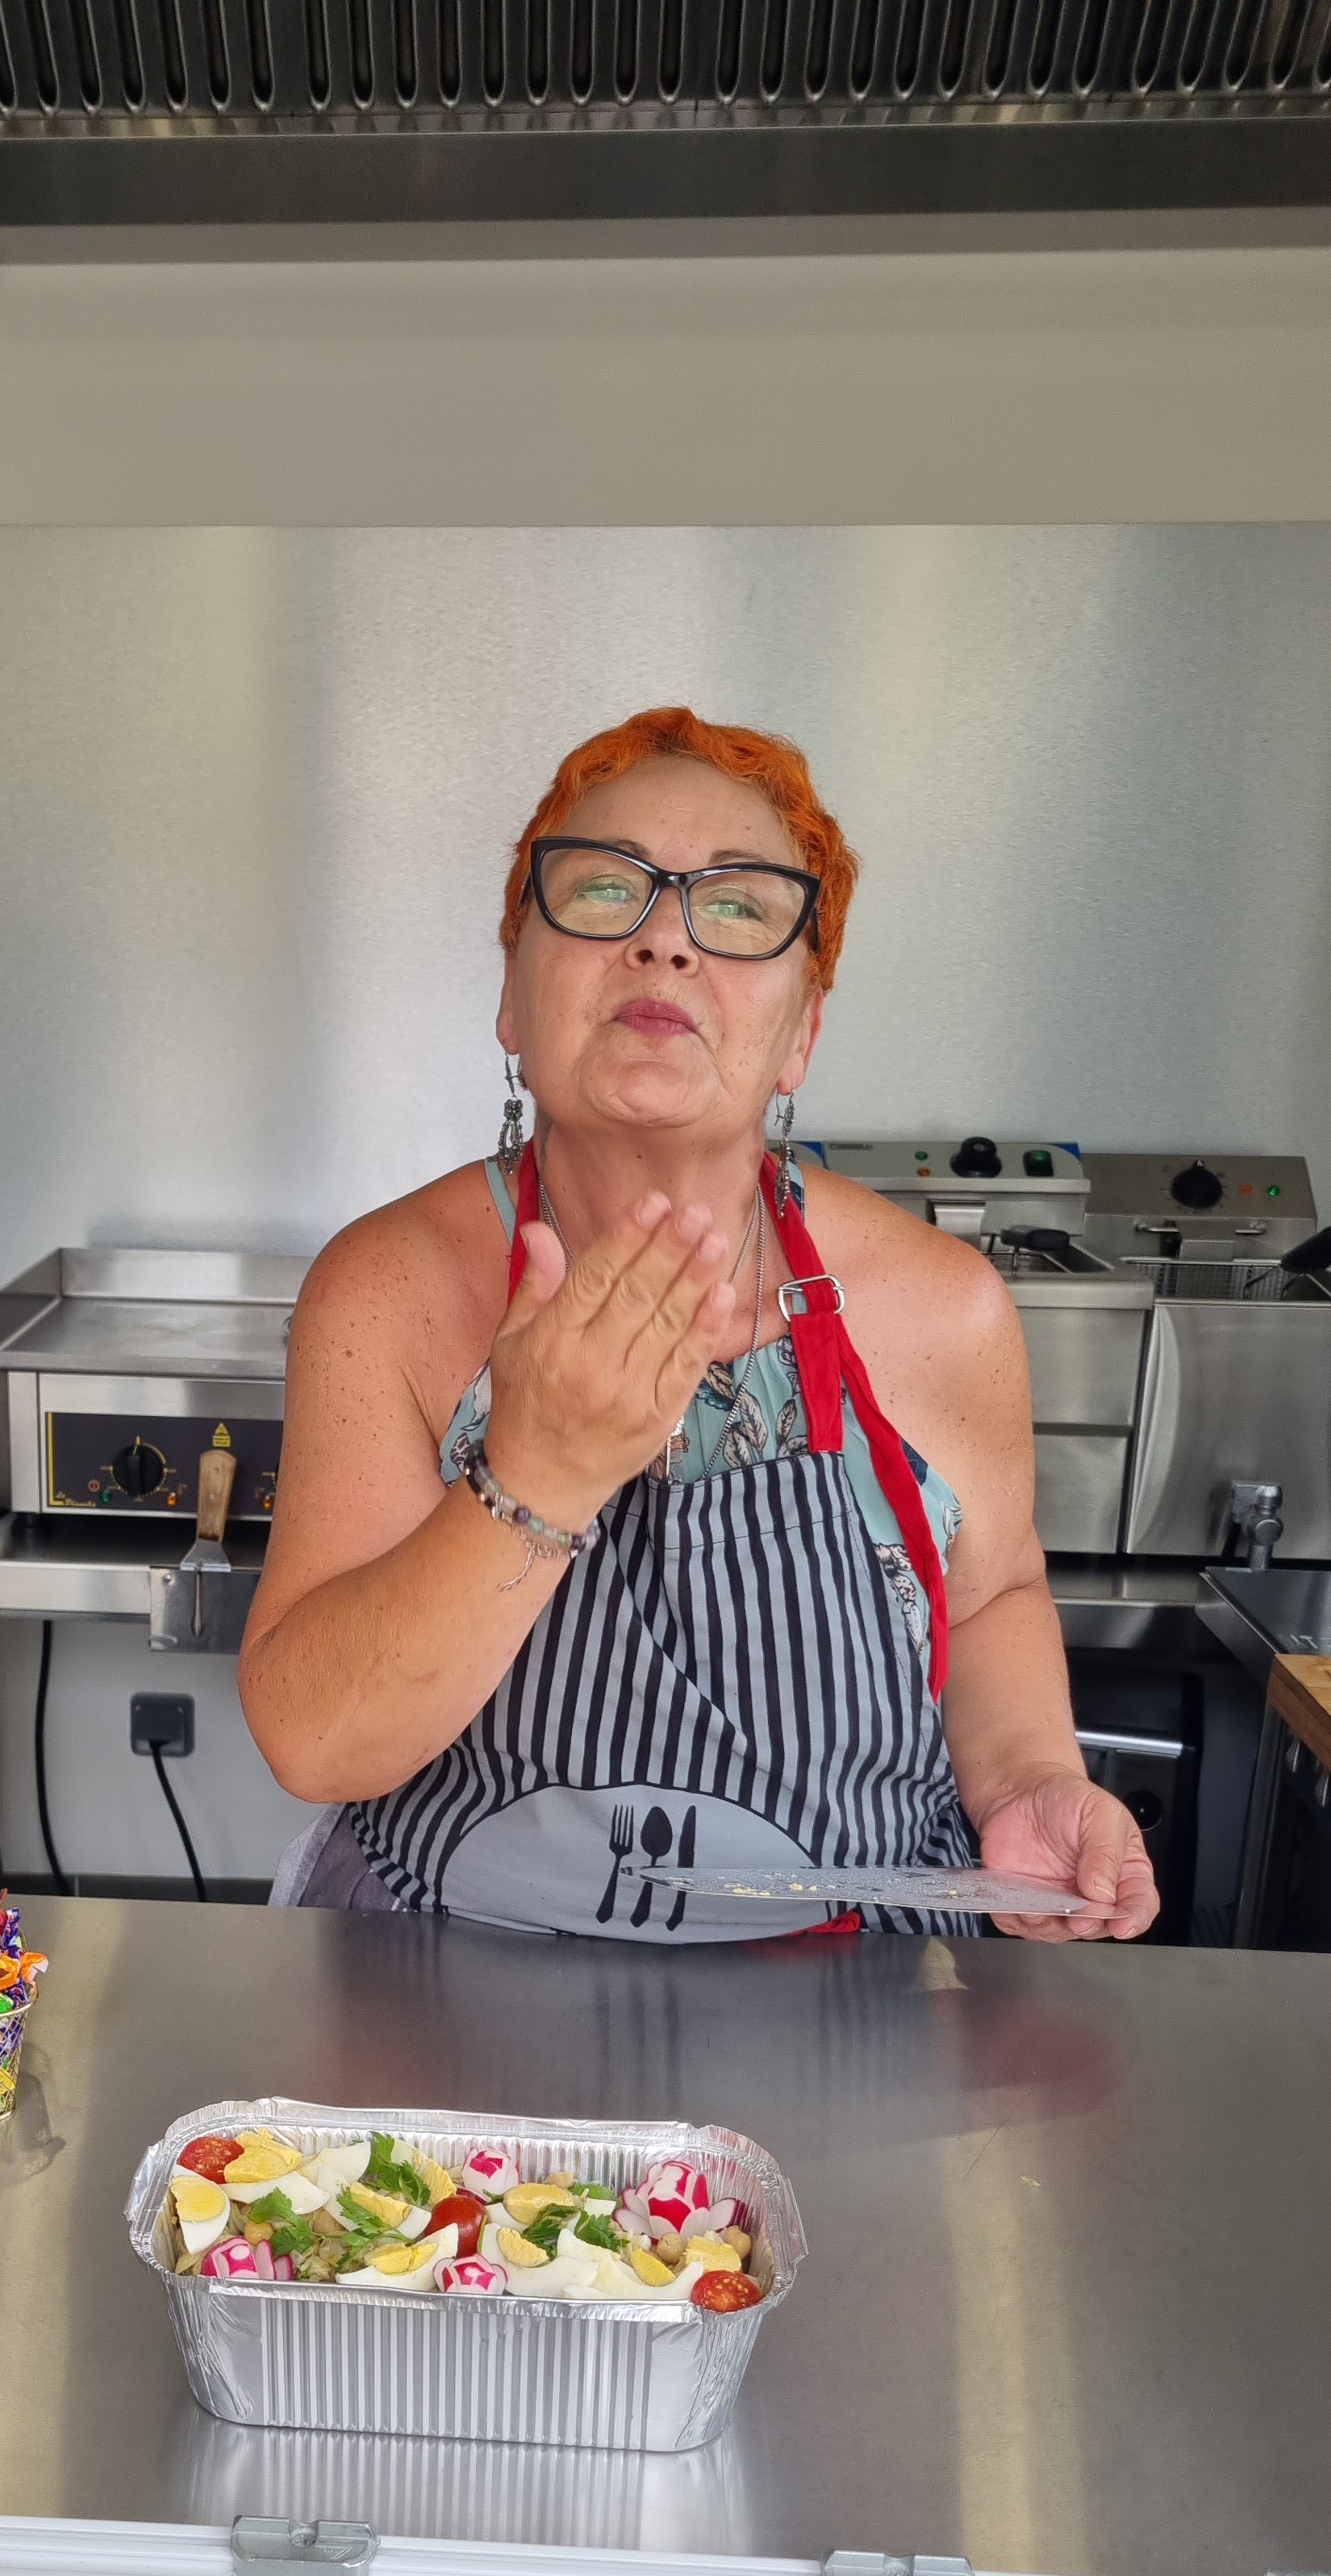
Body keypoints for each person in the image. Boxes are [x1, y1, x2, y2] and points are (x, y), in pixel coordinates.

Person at [240, 707, 1158, 1946]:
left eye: (735, 907)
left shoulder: (946, 1308)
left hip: (857, 2014)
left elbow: (991, 1599)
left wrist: (1032, 1778)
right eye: (603, 890)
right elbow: (314, 1741)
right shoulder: (385, 1292)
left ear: (802, 1032)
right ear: (511, 997)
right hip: (447, 2006)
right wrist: (534, 1476)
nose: (664, 938)